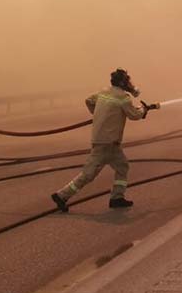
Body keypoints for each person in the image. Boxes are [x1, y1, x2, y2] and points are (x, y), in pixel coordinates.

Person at [51, 69, 156, 211]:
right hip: (108, 143)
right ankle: (62, 195)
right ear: (122, 82)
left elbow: (88, 100)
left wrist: (98, 113)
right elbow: (134, 115)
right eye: (127, 80)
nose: (129, 83)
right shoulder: (123, 98)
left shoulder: (103, 92)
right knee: (89, 174)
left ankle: (117, 197)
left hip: (105, 141)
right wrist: (144, 109)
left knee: (122, 166)